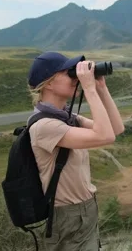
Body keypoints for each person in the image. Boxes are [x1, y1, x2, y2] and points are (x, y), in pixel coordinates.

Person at [26, 52, 124, 250]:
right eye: (69, 73)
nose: (75, 77)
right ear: (49, 83)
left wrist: (101, 89)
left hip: (85, 209)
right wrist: (89, 89)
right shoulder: (44, 126)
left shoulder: (67, 117)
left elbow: (116, 129)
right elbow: (105, 136)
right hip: (69, 216)